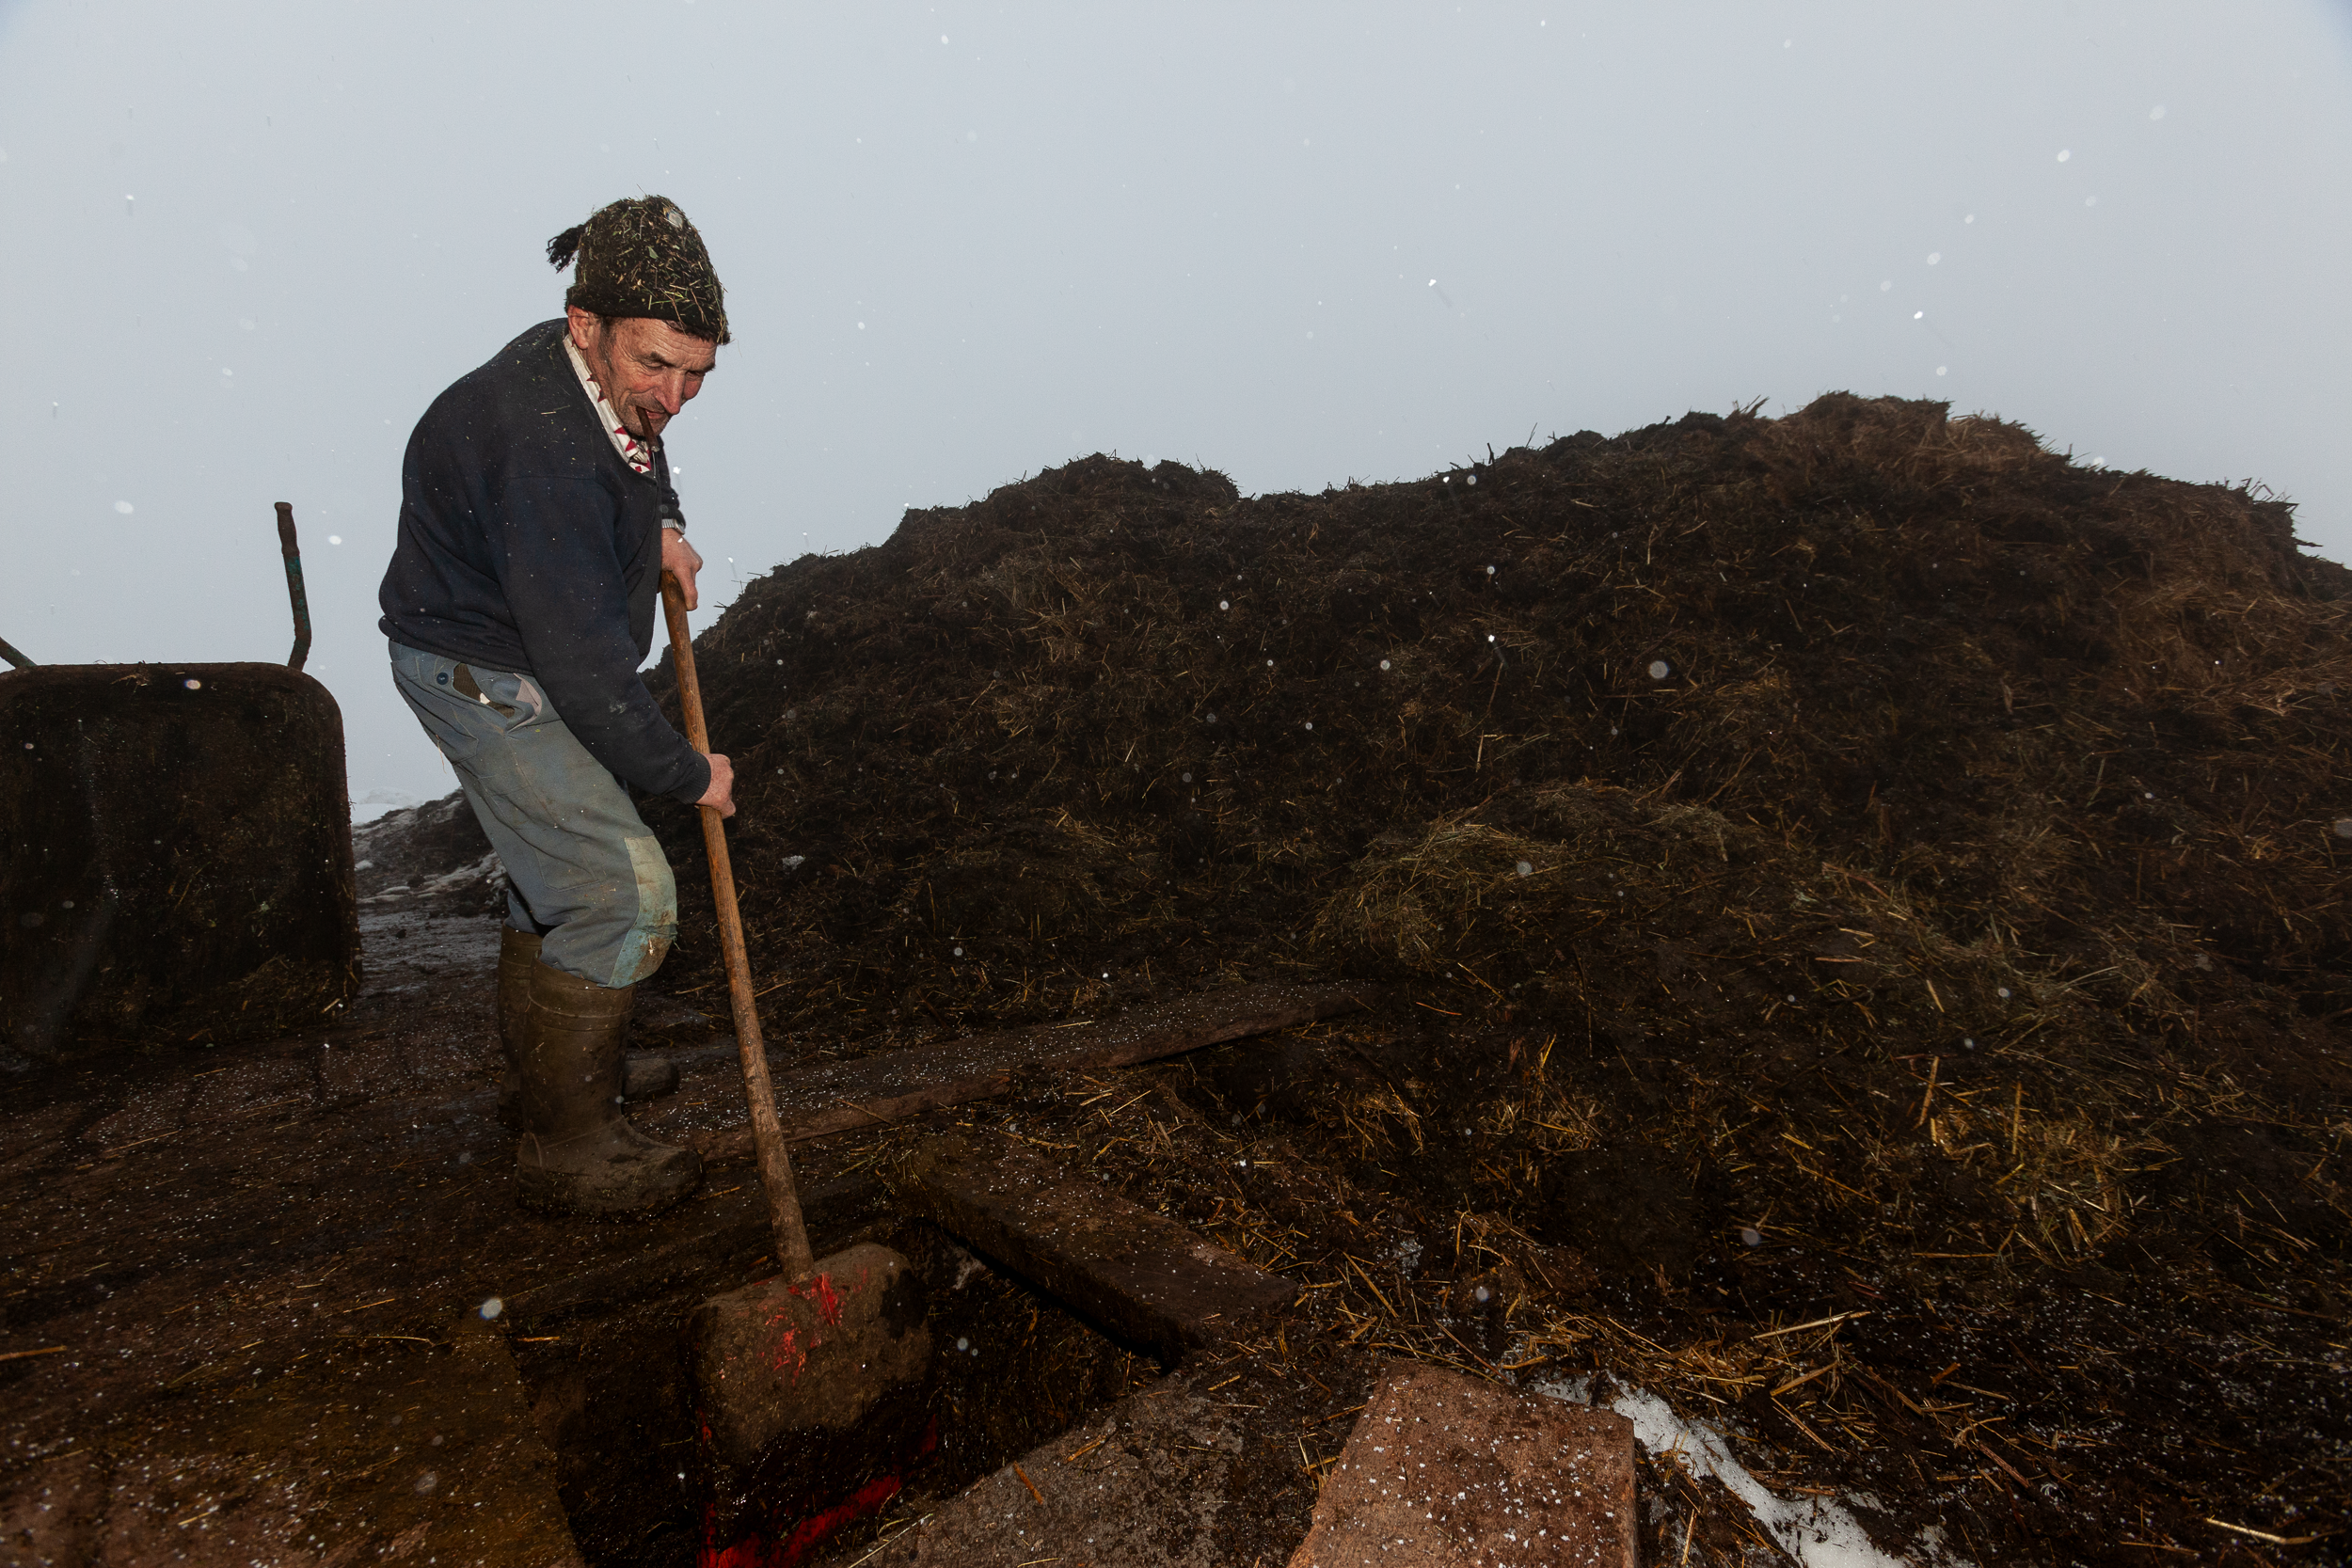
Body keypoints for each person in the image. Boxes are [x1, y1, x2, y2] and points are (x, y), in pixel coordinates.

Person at [377, 196, 737, 1217]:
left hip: (515, 644)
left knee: (556, 877)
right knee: (621, 894)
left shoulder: (592, 378)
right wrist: (689, 774)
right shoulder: (536, 446)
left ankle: (558, 1076)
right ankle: (567, 1140)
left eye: (696, 373)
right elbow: (584, 677)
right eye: (656, 364)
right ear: (587, 324)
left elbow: (639, 450)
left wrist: (662, 522)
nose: (673, 395)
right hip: (482, 670)